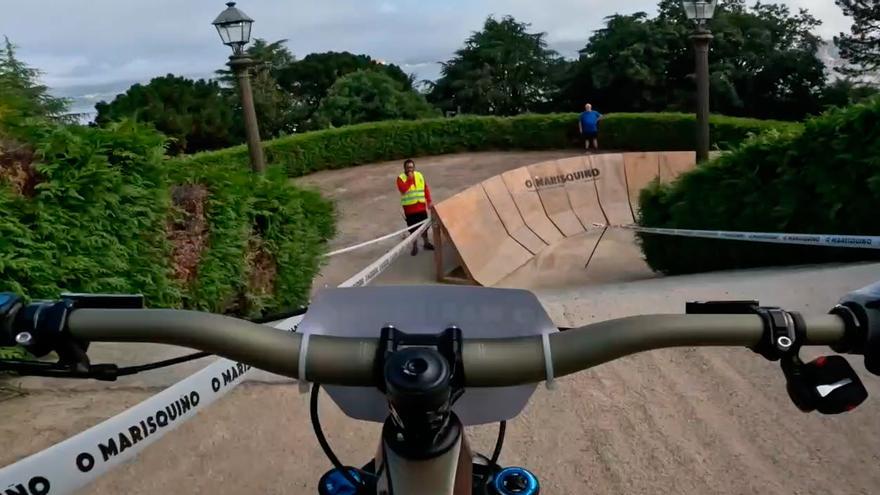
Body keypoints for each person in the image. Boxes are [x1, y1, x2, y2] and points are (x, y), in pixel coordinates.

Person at [396, 159, 435, 256]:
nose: (410, 169)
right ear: (404, 168)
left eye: (411, 167)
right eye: (408, 167)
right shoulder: (400, 178)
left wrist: (429, 201)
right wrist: (410, 179)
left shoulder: (419, 175)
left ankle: (426, 243)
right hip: (410, 210)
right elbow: (403, 190)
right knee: (413, 230)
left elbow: (425, 188)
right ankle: (414, 246)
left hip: (421, 207)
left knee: (424, 228)